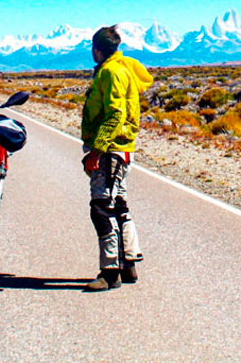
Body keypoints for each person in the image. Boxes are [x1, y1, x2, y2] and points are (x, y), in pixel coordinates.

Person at [81, 25, 153, 291]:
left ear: (97, 49)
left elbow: (114, 114)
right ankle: (129, 262)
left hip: (110, 148)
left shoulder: (111, 72)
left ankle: (109, 272)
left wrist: (97, 150)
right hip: (123, 146)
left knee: (101, 207)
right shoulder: (123, 67)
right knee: (118, 203)